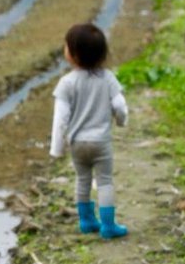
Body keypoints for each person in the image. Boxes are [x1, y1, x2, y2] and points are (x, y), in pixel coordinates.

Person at [50, 22, 129, 239]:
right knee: (104, 182)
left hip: (77, 143)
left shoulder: (66, 83)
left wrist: (57, 148)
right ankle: (108, 226)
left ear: (73, 54)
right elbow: (120, 105)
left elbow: (60, 118)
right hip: (101, 142)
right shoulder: (108, 78)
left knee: (82, 179)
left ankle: (86, 221)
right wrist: (121, 121)